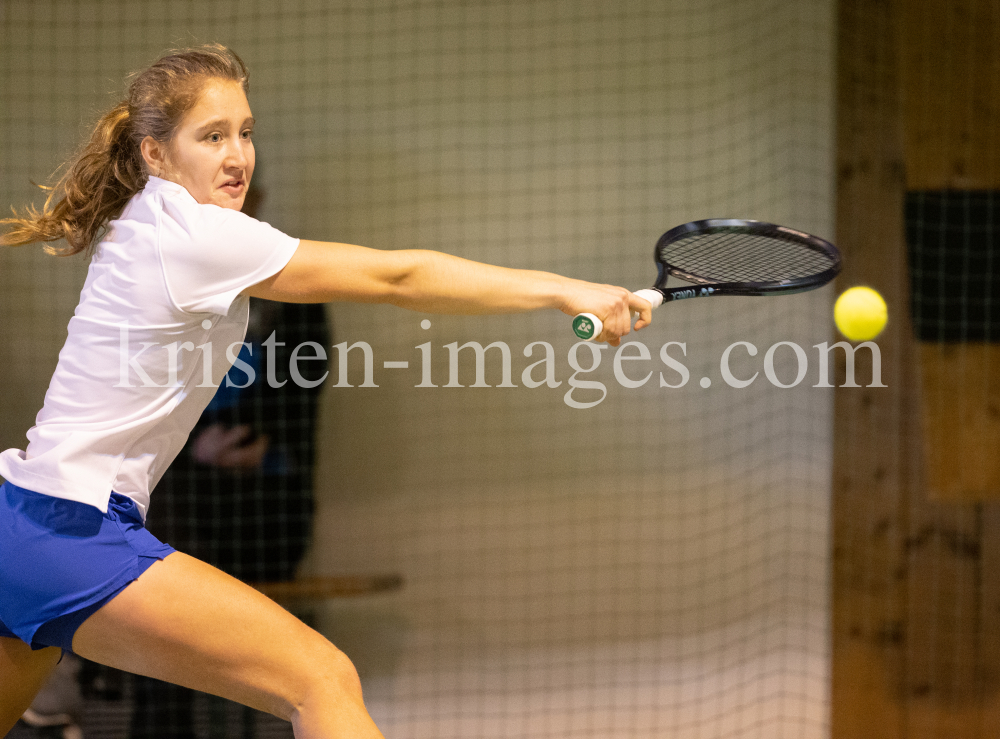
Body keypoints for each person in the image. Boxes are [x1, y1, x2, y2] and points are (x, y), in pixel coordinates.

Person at [0, 44, 650, 738]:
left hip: (18, 521)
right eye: (211, 136)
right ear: (155, 154)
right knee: (321, 678)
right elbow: (398, 278)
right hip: (72, 529)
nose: (237, 155)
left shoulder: (150, 222)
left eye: (245, 131)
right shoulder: (196, 235)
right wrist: (562, 289)